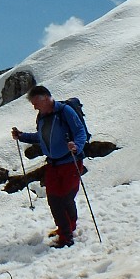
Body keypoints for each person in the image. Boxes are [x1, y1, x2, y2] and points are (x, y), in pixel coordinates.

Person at [12, 85, 87, 248]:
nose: (34, 107)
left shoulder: (64, 111)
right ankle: (66, 230)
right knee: (55, 199)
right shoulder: (42, 117)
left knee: (65, 198)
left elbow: (80, 131)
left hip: (70, 161)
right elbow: (41, 137)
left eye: (35, 103)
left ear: (46, 98)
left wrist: (77, 146)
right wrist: (22, 136)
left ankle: (66, 235)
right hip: (53, 164)